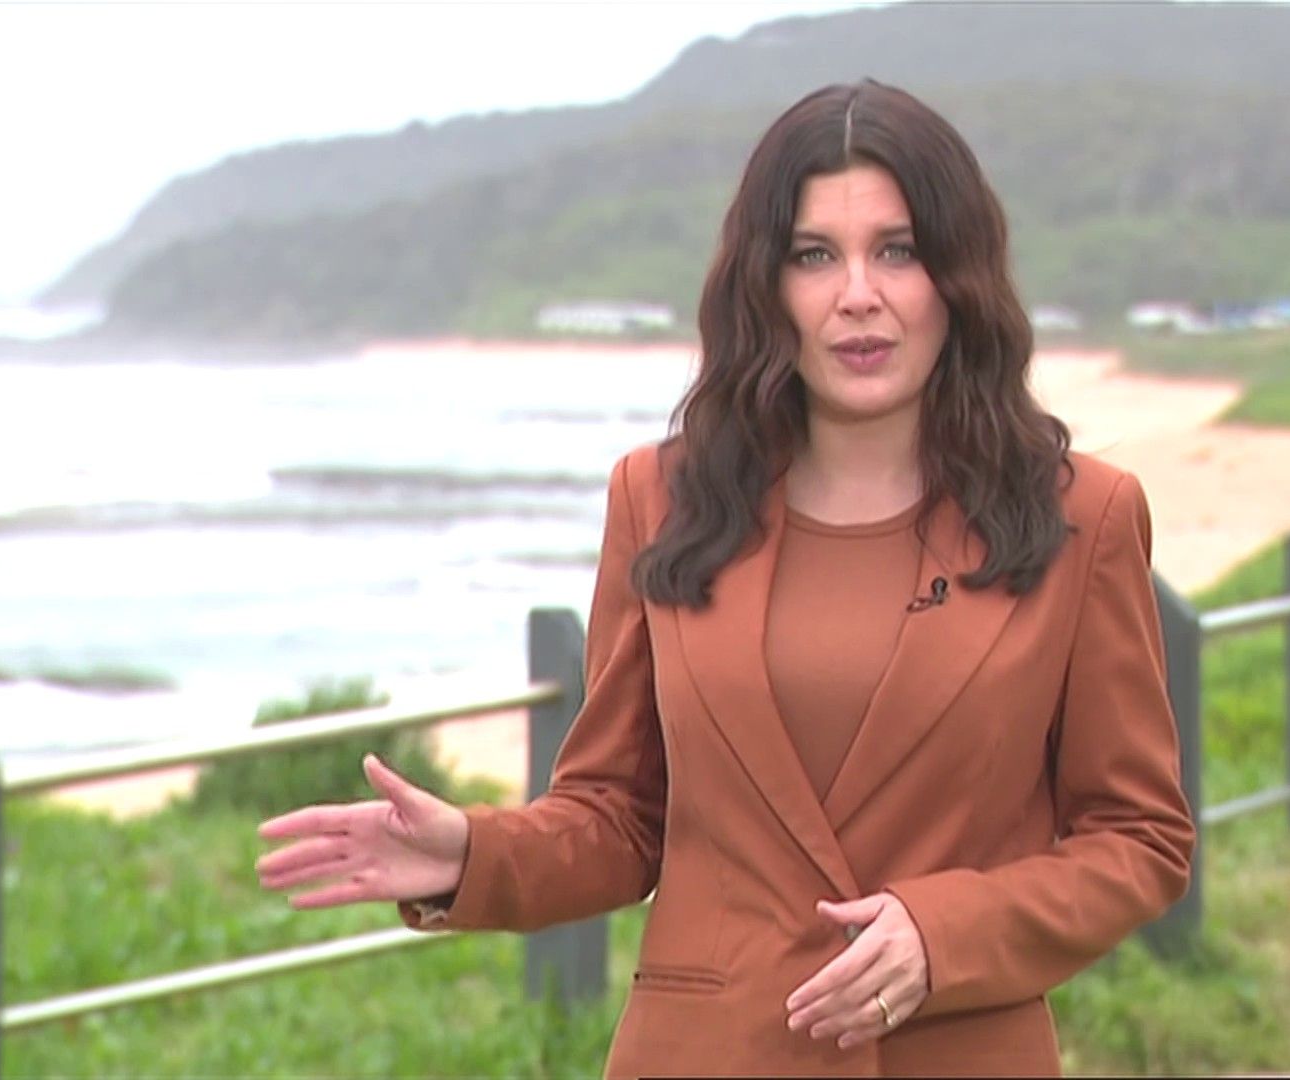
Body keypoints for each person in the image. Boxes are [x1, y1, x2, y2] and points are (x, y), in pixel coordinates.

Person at [255, 78, 1195, 1077]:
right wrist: (470, 855)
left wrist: (945, 935)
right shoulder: (661, 498)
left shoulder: (1081, 519)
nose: (858, 294)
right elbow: (620, 817)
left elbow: (1138, 838)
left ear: (957, 277)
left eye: (899, 250)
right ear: (766, 286)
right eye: (814, 256)